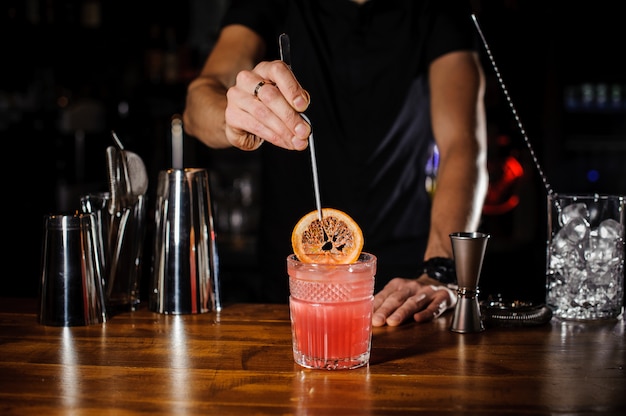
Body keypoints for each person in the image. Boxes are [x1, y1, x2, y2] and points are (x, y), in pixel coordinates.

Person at [183, 0, 488, 327]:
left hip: (406, 276)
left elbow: (462, 144)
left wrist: (440, 271)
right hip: (296, 270)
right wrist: (232, 120)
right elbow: (197, 104)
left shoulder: (438, 9)